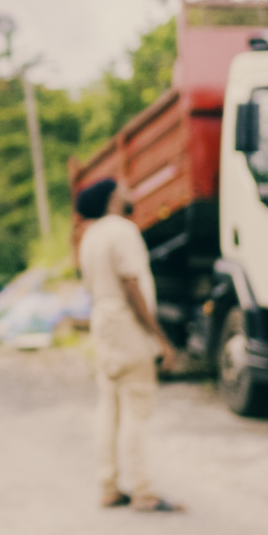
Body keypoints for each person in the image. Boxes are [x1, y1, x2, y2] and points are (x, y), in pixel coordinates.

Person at [74, 178, 182, 513]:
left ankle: (108, 486)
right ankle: (143, 491)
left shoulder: (89, 236)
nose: (129, 192)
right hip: (127, 326)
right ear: (111, 198)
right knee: (138, 407)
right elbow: (131, 283)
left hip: (103, 325)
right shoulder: (123, 231)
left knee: (110, 406)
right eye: (122, 188)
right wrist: (160, 338)